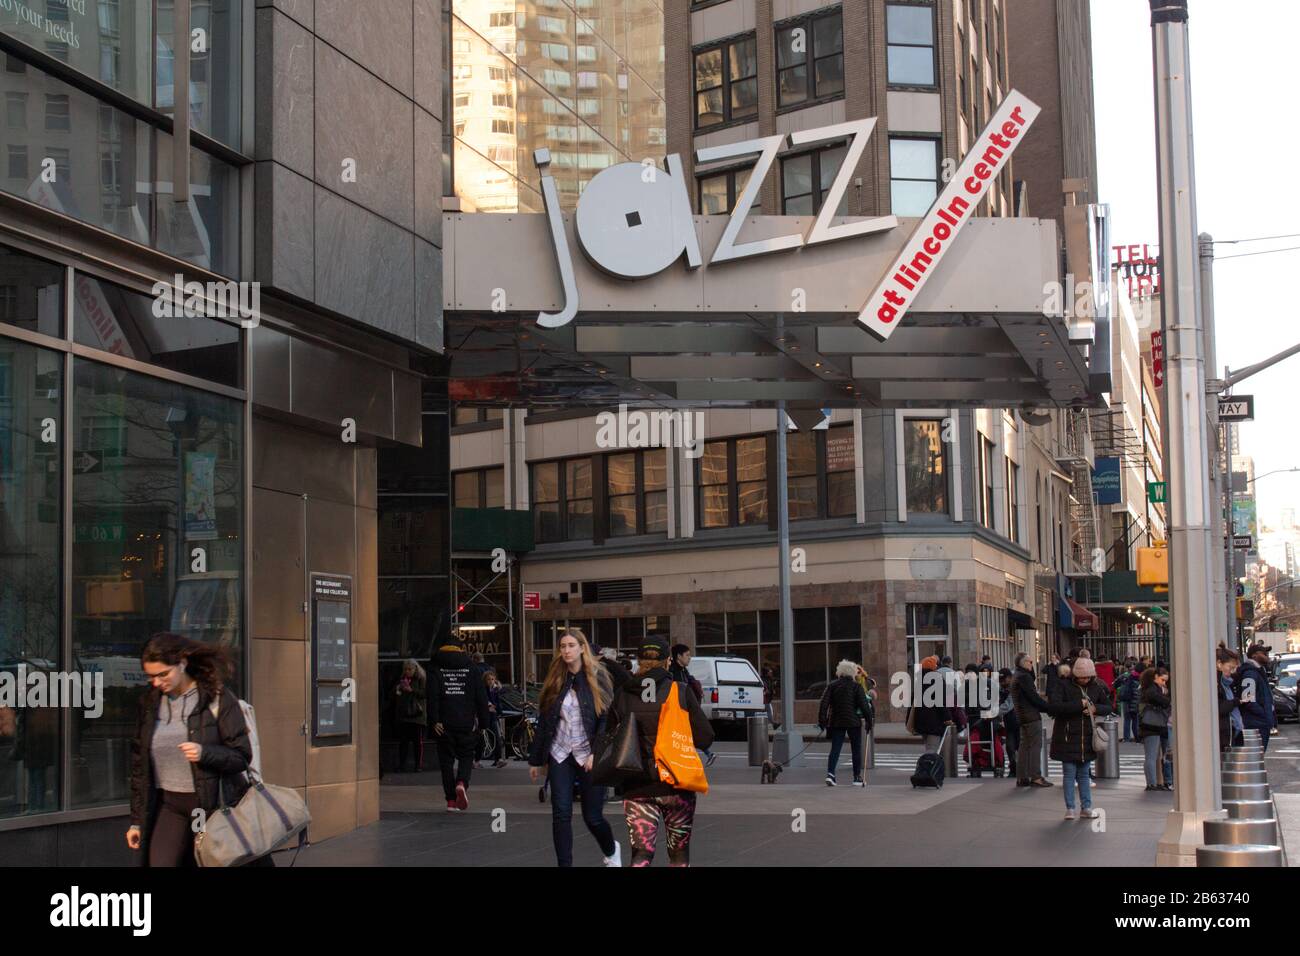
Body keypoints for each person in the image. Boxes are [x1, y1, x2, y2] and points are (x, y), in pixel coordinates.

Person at [127, 633, 258, 867]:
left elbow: (241, 756)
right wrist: (137, 821)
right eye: (151, 677)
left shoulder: (216, 698)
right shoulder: (150, 704)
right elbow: (140, 766)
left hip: (209, 807)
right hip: (170, 806)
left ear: (182, 663)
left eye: (163, 674)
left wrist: (204, 753)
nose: (157, 682)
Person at [606, 636, 715, 866]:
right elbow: (706, 737)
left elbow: (610, 737)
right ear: (667, 662)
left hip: (637, 786)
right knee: (679, 853)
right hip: (676, 784)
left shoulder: (623, 694)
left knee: (641, 854)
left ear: (638, 661)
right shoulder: (681, 691)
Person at [527, 628, 620, 867]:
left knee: (593, 817)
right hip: (560, 754)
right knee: (561, 814)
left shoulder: (597, 677)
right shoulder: (556, 678)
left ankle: (612, 849)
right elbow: (545, 720)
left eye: (571, 645)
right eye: (563, 646)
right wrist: (536, 760)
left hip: (589, 755)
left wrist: (595, 752)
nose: (566, 650)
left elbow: (606, 720)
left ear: (581, 648)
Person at [429, 636, 492, 812]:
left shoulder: (435, 668)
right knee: (466, 756)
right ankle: (462, 782)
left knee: (446, 762)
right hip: (466, 723)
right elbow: (481, 698)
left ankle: (450, 801)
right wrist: (484, 723)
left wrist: (434, 720)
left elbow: (432, 697)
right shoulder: (472, 669)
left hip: (443, 724)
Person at [1049, 656, 1111, 820]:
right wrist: (1080, 705)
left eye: (1087, 677)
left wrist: (1094, 708)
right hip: (1067, 737)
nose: (1085, 680)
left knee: (1083, 774)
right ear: (1075, 674)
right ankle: (1070, 808)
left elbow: (1108, 707)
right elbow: (1054, 707)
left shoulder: (1096, 687)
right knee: (1069, 773)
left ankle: (1086, 807)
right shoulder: (1063, 685)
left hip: (1085, 738)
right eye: (1082, 677)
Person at [819, 660, 871, 786]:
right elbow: (864, 706)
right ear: (852, 672)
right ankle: (856, 777)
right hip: (853, 721)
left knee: (835, 749)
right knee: (856, 749)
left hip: (837, 721)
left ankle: (831, 774)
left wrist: (822, 721)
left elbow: (824, 704)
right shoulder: (856, 687)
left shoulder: (832, 686)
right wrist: (869, 721)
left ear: (840, 672)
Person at [1010, 653, 1054, 788]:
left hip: (1022, 717)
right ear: (1023, 663)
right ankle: (1036, 776)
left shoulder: (1017, 675)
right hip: (1031, 716)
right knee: (1035, 746)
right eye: (1030, 662)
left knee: (1024, 747)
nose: (1032, 664)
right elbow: (1033, 697)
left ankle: (1022, 777)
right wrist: (1049, 708)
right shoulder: (1024, 677)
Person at [669, 644, 716, 767]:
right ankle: (705, 754)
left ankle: (705, 754)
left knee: (689, 734)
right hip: (679, 710)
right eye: (687, 655)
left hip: (685, 709)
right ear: (679, 656)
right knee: (686, 735)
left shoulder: (683, 670)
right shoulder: (674, 672)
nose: (690, 658)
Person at [910, 656, 965, 754]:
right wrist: (948, 718)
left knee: (929, 746)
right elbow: (941, 703)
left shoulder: (919, 682)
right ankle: (930, 767)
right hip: (934, 721)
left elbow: (912, 704)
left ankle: (931, 766)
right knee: (932, 749)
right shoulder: (937, 680)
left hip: (921, 722)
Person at [1235, 643, 1278, 751]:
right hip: (1255, 724)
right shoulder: (1250, 673)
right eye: (1264, 653)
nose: (1267, 655)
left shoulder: (1258, 671)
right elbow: (1247, 699)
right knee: (1255, 757)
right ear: (1254, 655)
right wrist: (1264, 715)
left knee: (1259, 757)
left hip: (1259, 722)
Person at [1138, 666, 1173, 791]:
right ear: (1155, 677)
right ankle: (1152, 783)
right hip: (1153, 725)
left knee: (1154, 756)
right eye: (1163, 680)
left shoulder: (1149, 689)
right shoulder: (1152, 690)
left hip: (1152, 725)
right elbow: (1162, 701)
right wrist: (1167, 700)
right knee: (1153, 756)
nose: (1164, 683)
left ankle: (1156, 782)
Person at [393, 659, 427, 772]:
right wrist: (398, 689)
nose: (407, 671)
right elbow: (395, 695)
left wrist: (411, 690)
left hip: (417, 715)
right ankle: (402, 764)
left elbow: (424, 694)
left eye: (410, 669)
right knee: (404, 742)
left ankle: (418, 765)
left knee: (418, 742)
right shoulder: (402, 679)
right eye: (405, 669)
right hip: (404, 715)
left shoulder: (421, 679)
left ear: (415, 669)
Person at [1216, 648, 1243, 751]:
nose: (1232, 672)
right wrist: (1235, 702)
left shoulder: (1226, 683)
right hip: (1223, 734)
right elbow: (1219, 707)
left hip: (1229, 732)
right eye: (1230, 667)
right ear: (1219, 664)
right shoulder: (1218, 683)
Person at [483, 670, 508, 768]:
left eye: (492, 679)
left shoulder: (495, 690)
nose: (491, 681)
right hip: (484, 716)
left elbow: (498, 703)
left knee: (496, 737)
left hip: (493, 716)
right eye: (488, 679)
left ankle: (498, 759)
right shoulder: (483, 689)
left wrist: (498, 710)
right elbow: (483, 700)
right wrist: (489, 705)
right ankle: (476, 759)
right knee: (482, 739)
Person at [997, 667, 1019, 778]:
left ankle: (1019, 770)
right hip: (1010, 723)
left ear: (1010, 678)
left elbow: (1008, 705)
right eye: (1000, 680)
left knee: (1019, 747)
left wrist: (994, 712)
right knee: (1010, 747)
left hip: (1019, 722)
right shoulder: (1002, 689)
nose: (1002, 682)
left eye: (1003, 680)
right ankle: (1013, 769)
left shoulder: (1015, 687)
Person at [1114, 660, 1142, 742]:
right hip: (1135, 700)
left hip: (1126, 700)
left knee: (1127, 719)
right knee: (1135, 719)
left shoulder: (1124, 676)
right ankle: (1137, 738)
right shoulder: (1140, 677)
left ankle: (1126, 738)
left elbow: (1115, 684)